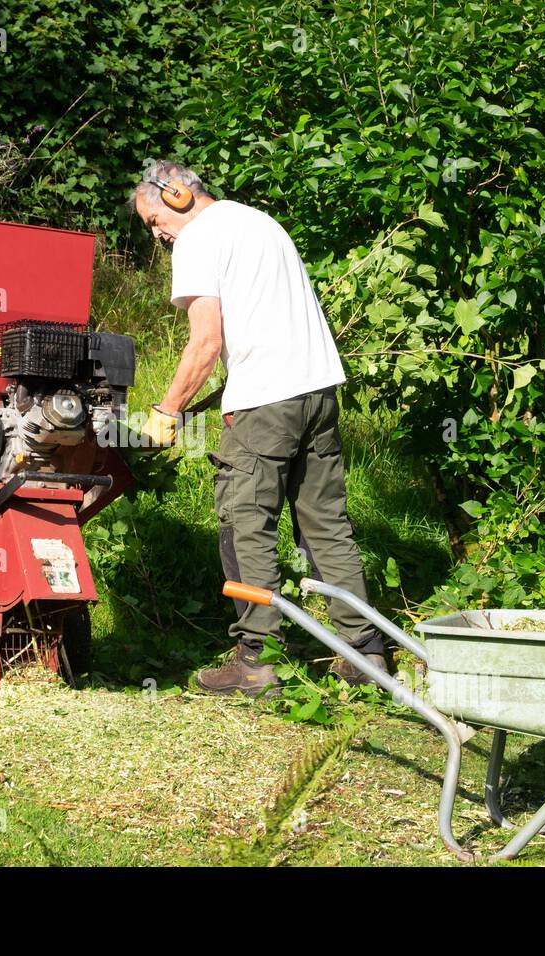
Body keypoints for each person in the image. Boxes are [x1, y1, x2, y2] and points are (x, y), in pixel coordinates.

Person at [131, 160, 388, 697]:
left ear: (176, 193)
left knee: (245, 523)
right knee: (326, 524)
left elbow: (204, 342)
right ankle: (365, 653)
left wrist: (167, 410)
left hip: (266, 403)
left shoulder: (197, 238)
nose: (155, 234)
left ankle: (257, 661)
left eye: (153, 218)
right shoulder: (259, 222)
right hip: (317, 390)